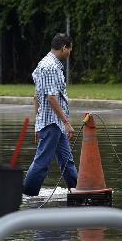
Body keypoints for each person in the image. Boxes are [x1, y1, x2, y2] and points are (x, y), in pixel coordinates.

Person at [23, 33, 78, 196]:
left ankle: (77, 190)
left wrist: (36, 125)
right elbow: (51, 98)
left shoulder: (44, 64)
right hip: (52, 123)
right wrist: (66, 122)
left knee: (67, 161)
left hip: (53, 123)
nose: (69, 53)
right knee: (42, 163)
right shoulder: (50, 67)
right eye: (70, 50)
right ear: (64, 47)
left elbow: (36, 96)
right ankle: (28, 194)